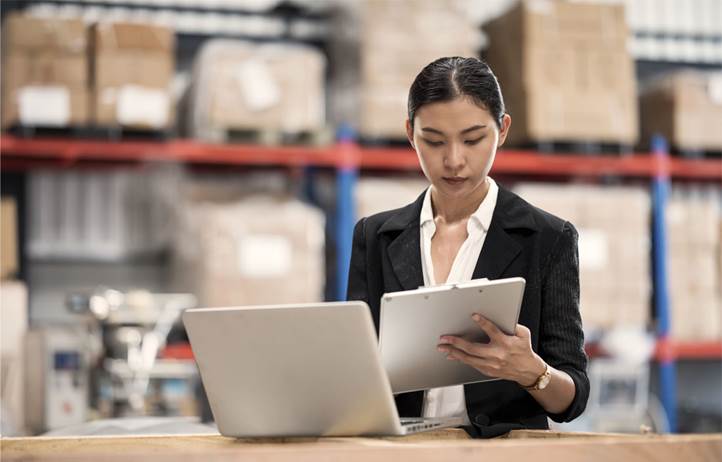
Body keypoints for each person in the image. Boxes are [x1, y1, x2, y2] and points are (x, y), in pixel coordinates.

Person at [347, 57, 589, 438]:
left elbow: (572, 400)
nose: (454, 160)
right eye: (434, 140)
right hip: (402, 451)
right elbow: (356, 366)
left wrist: (532, 372)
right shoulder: (374, 236)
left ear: (503, 129)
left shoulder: (548, 238)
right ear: (410, 133)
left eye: (474, 139)